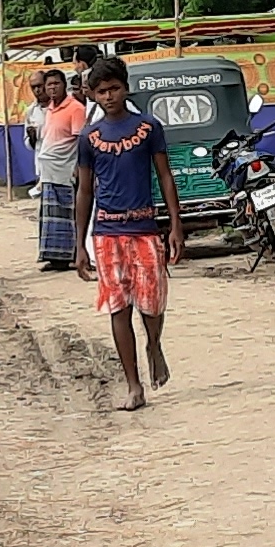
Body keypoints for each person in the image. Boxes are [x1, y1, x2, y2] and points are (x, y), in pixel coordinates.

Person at [70, 57, 173, 406]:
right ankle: (133, 385)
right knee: (119, 307)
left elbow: (164, 176)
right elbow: (85, 191)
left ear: (126, 88)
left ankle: (153, 345)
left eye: (114, 89)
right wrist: (79, 244)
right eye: (101, 91)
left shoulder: (149, 127)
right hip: (107, 232)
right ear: (93, 95)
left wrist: (175, 225)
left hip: (145, 228)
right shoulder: (89, 137)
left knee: (152, 304)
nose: (109, 96)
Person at [27, 68, 85, 273]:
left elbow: (80, 141)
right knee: (51, 218)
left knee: (66, 216)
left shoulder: (75, 108)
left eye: (56, 84)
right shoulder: (49, 110)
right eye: (49, 85)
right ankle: (55, 258)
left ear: (64, 85)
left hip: (65, 171)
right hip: (48, 172)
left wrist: (78, 168)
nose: (52, 88)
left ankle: (70, 257)